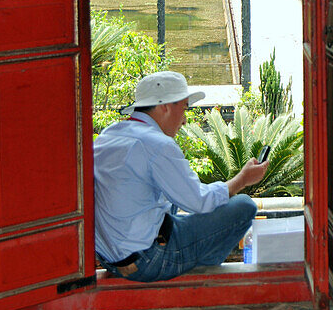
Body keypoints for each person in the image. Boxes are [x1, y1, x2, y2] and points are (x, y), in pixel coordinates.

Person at [93, 71, 268, 281]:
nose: (184, 120)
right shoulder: (158, 144)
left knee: (169, 195)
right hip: (148, 261)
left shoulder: (110, 134)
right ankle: (201, 274)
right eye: (184, 108)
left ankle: (194, 265)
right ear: (165, 106)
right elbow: (199, 201)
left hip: (111, 260)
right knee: (244, 205)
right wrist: (242, 179)